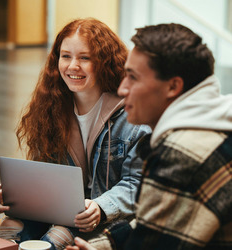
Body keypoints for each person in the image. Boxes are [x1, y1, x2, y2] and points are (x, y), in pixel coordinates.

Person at [66, 23, 232, 250]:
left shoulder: (180, 154)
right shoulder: (212, 124)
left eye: (133, 77)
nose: (123, 89)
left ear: (173, 86)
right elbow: (151, 226)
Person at [0, 18, 149, 249]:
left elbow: (138, 183)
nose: (73, 66)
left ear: (105, 62)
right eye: (66, 56)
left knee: (57, 238)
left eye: (85, 58)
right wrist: (18, 194)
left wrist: (101, 207)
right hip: (61, 211)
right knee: (10, 229)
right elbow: (43, 172)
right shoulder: (51, 107)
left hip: (109, 218)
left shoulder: (133, 116)